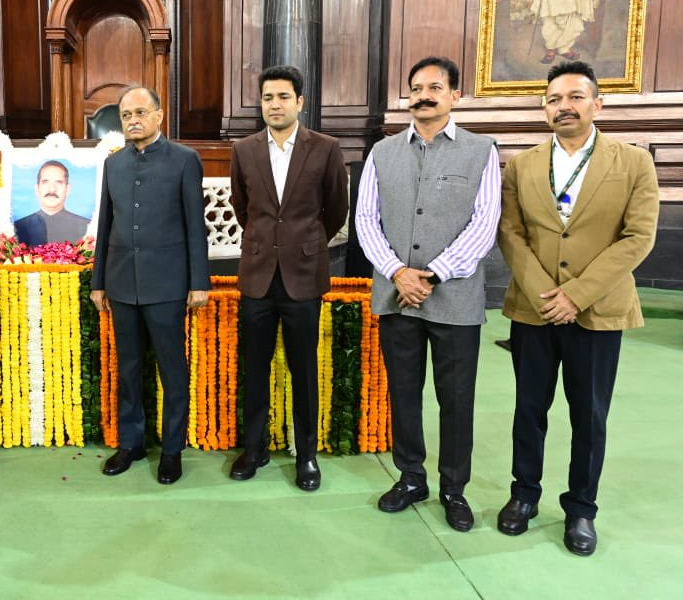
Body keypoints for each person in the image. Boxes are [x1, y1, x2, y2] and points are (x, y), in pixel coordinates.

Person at [496, 61, 658, 556]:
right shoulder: (522, 165)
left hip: (598, 311)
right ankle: (523, 495)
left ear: (597, 104)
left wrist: (577, 295)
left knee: (589, 415)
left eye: (575, 97)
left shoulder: (633, 163)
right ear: (544, 108)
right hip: (534, 310)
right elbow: (511, 233)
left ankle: (581, 509)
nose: (563, 106)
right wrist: (549, 294)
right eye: (553, 99)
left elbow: (638, 238)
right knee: (529, 409)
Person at [355, 56, 501, 531]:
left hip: (455, 300)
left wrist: (432, 275)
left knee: (456, 399)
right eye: (416, 87)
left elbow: (485, 224)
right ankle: (411, 477)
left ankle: (454, 488)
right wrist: (398, 272)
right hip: (396, 298)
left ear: (455, 96)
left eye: (435, 87)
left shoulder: (482, 151)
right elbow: (365, 221)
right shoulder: (382, 153)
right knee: (404, 394)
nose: (424, 94)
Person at [228, 65, 349, 492]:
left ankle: (307, 455)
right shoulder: (244, 150)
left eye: (283, 97)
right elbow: (244, 210)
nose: (274, 105)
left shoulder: (326, 148)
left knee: (303, 369)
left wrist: (303, 243)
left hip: (302, 276)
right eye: (267, 98)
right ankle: (255, 448)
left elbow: (335, 208)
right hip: (258, 277)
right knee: (255, 368)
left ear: (300, 101)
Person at [90, 86, 210, 485]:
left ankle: (172, 450)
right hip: (122, 283)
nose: (133, 120)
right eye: (126, 115)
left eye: (141, 112)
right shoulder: (114, 164)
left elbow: (196, 226)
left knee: (172, 370)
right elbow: (106, 225)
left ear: (160, 116)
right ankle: (132, 443)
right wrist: (99, 281)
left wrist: (198, 282)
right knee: (128, 370)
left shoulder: (184, 161)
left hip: (169, 284)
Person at [14, 160, 90, 246]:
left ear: (68, 189)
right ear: (37, 189)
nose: (52, 189)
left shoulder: (87, 227)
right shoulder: (17, 228)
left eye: (59, 182)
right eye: (45, 182)